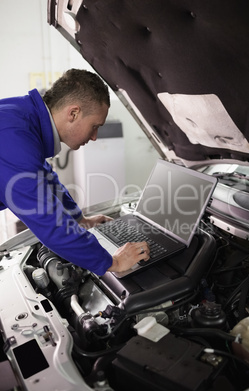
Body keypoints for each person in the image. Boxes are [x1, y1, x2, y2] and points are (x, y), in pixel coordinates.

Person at [0, 69, 150, 275]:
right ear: (73, 113)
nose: (95, 136)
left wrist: (80, 220)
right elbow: (49, 223)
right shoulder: (13, 138)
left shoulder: (23, 116)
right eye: (95, 126)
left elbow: (44, 176)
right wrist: (112, 262)